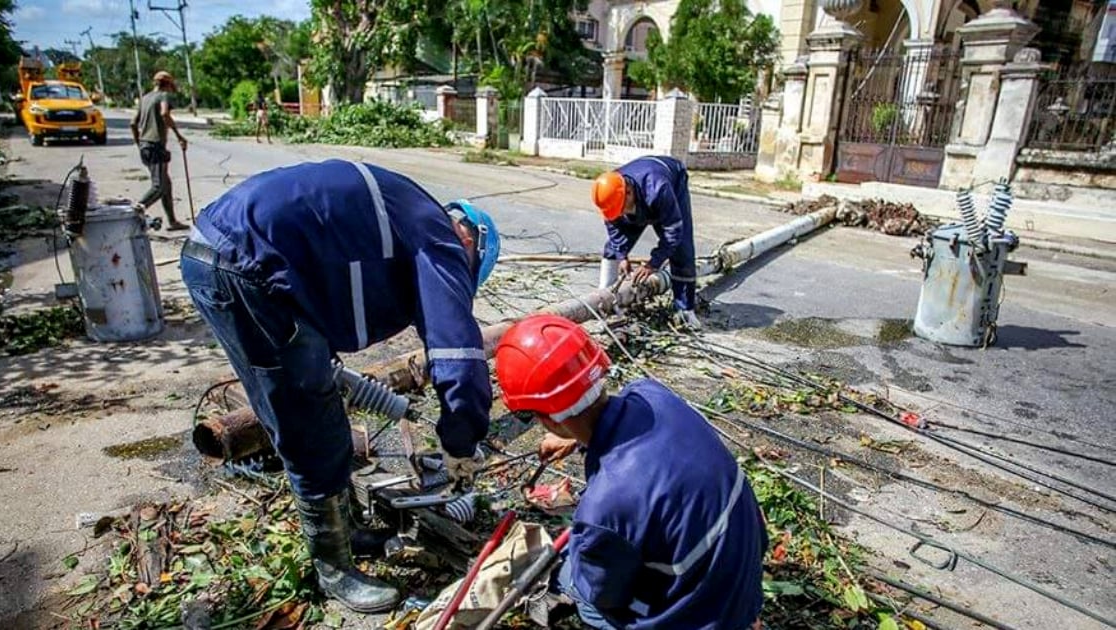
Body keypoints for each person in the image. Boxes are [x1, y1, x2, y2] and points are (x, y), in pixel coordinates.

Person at [180, 159, 501, 613]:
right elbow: (457, 351)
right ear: (471, 242)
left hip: (222, 253)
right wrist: (461, 441)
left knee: (310, 404)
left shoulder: (407, 214)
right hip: (246, 264)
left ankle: (343, 531)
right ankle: (333, 570)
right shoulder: (442, 235)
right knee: (309, 420)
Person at [494, 314, 767, 630]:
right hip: (744, 577)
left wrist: (585, 551)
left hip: (708, 618)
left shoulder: (604, 505)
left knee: (574, 579)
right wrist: (579, 440)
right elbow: (641, 442)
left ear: (551, 419)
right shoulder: (651, 394)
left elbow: (603, 593)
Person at [592, 156, 700, 329]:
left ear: (628, 192)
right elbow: (614, 229)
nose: (620, 214)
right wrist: (622, 256)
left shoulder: (659, 189)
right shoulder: (610, 192)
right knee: (613, 246)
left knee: (681, 249)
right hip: (640, 192)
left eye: (621, 209)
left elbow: (673, 232)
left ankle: (685, 310)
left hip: (671, 179)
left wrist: (653, 264)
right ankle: (604, 298)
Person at [131, 71, 188, 230]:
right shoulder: (163, 96)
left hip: (145, 146)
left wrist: (139, 143)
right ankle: (134, 212)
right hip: (155, 146)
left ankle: (172, 221)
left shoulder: (145, 98)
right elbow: (164, 113)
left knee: (166, 184)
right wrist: (179, 136)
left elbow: (133, 123)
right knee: (159, 187)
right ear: (167, 85)